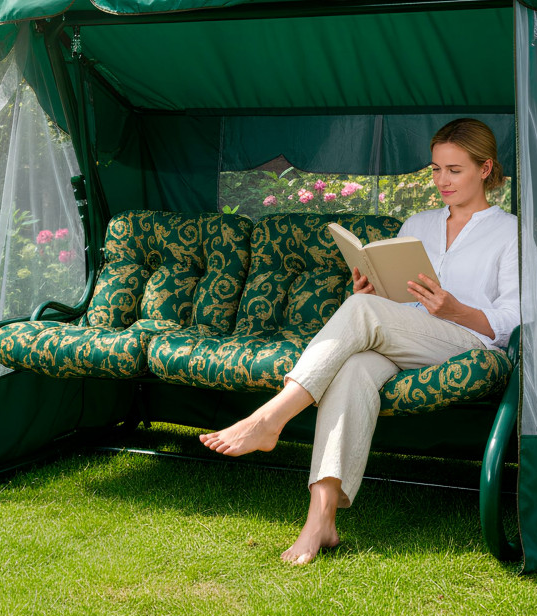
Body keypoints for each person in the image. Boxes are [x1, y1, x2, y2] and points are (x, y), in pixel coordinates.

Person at [200, 118, 520, 564]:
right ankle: (321, 521)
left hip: (467, 341)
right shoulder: (419, 223)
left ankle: (270, 418)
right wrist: (372, 291)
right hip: (405, 336)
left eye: (454, 170)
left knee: (362, 312)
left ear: (485, 169)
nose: (441, 181)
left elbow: (514, 320)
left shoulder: (510, 232)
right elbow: (399, 299)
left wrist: (454, 309)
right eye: (435, 169)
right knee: (352, 366)